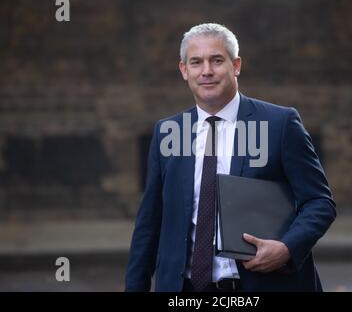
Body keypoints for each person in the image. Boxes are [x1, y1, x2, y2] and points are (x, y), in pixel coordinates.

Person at [125, 23, 336, 292]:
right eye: (196, 62)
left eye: (216, 60)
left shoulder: (280, 124)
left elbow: (320, 202)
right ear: (184, 70)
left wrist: (287, 248)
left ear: (236, 65)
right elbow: (149, 224)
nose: (207, 71)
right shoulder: (169, 132)